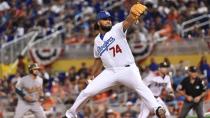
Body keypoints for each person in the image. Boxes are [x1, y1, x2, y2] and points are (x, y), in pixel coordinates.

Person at [65, 3, 166, 118]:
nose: (108, 21)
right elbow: (98, 59)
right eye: (105, 19)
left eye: (109, 19)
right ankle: (70, 114)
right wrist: (92, 76)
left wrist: (132, 15)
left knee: (141, 87)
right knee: (87, 91)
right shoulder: (97, 40)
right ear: (98, 22)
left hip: (127, 69)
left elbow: (128, 21)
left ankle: (157, 108)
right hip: (110, 72)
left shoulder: (117, 29)